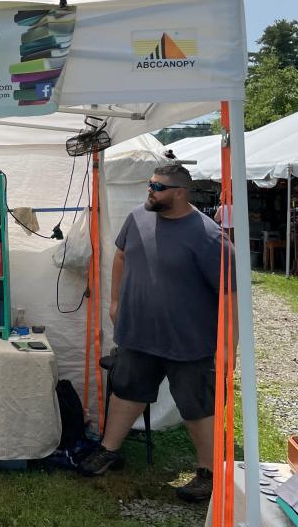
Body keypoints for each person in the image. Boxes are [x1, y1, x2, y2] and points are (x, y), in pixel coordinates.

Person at [78, 164, 237, 503]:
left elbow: (230, 295)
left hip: (189, 341)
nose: (149, 191)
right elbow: (120, 255)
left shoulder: (209, 236)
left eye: (157, 187)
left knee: (198, 407)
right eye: (150, 184)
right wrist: (115, 300)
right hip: (138, 334)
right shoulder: (137, 218)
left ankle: (208, 473)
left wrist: (229, 346)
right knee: (127, 392)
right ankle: (109, 451)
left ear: (180, 193)